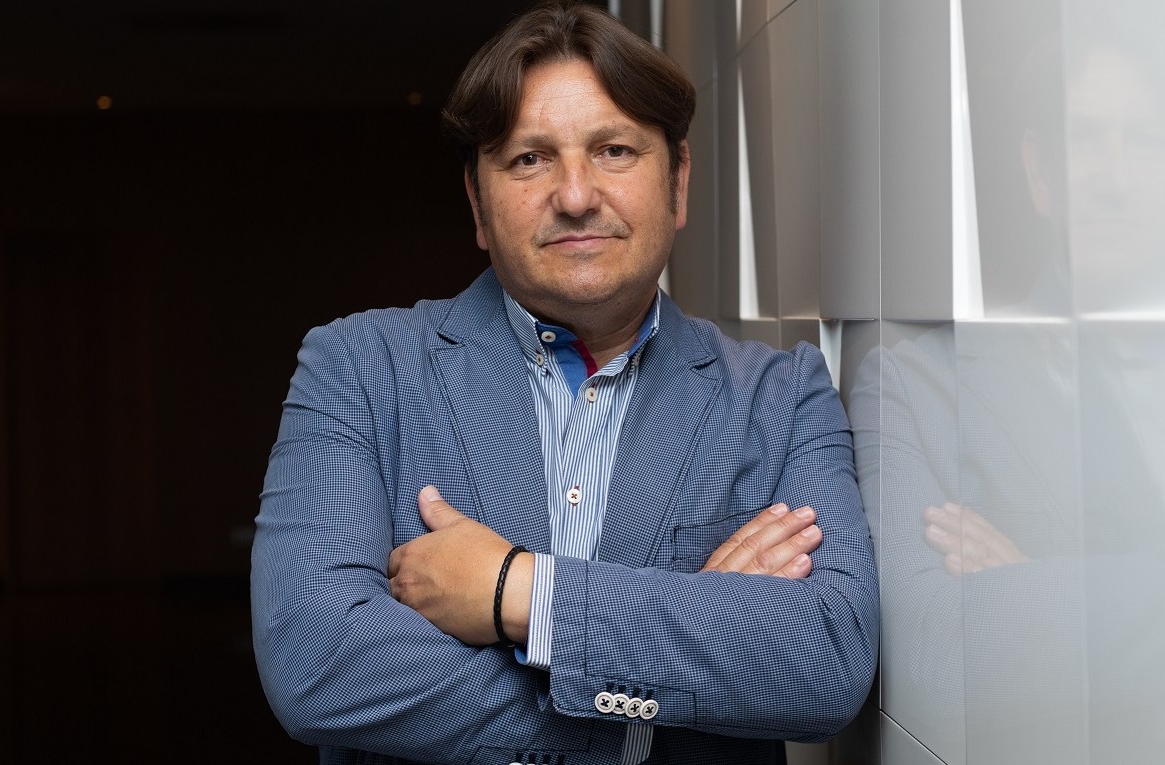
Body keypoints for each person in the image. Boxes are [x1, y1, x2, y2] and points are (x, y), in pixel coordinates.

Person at [250, 3, 878, 763]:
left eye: (614, 150)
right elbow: (317, 664)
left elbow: (828, 660)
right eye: (529, 159)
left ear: (677, 182)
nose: (576, 195)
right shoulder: (360, 367)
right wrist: (664, 697)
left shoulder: (780, 396)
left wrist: (517, 591)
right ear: (477, 202)